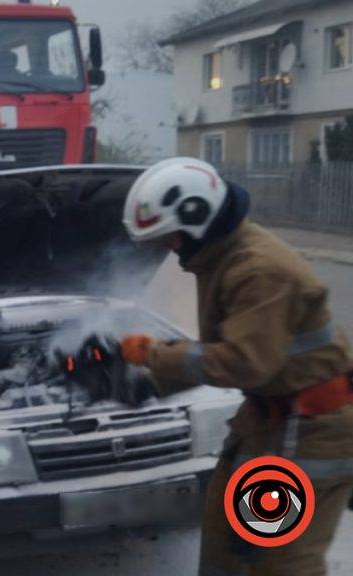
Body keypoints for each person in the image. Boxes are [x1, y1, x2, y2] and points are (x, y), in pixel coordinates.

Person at [116, 157, 353, 576]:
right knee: (227, 547)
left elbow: (244, 364)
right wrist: (148, 385)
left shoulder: (258, 270)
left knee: (279, 563)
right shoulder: (221, 257)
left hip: (311, 432)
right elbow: (220, 354)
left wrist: (153, 353)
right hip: (268, 422)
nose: (167, 249)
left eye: (169, 238)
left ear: (197, 218)